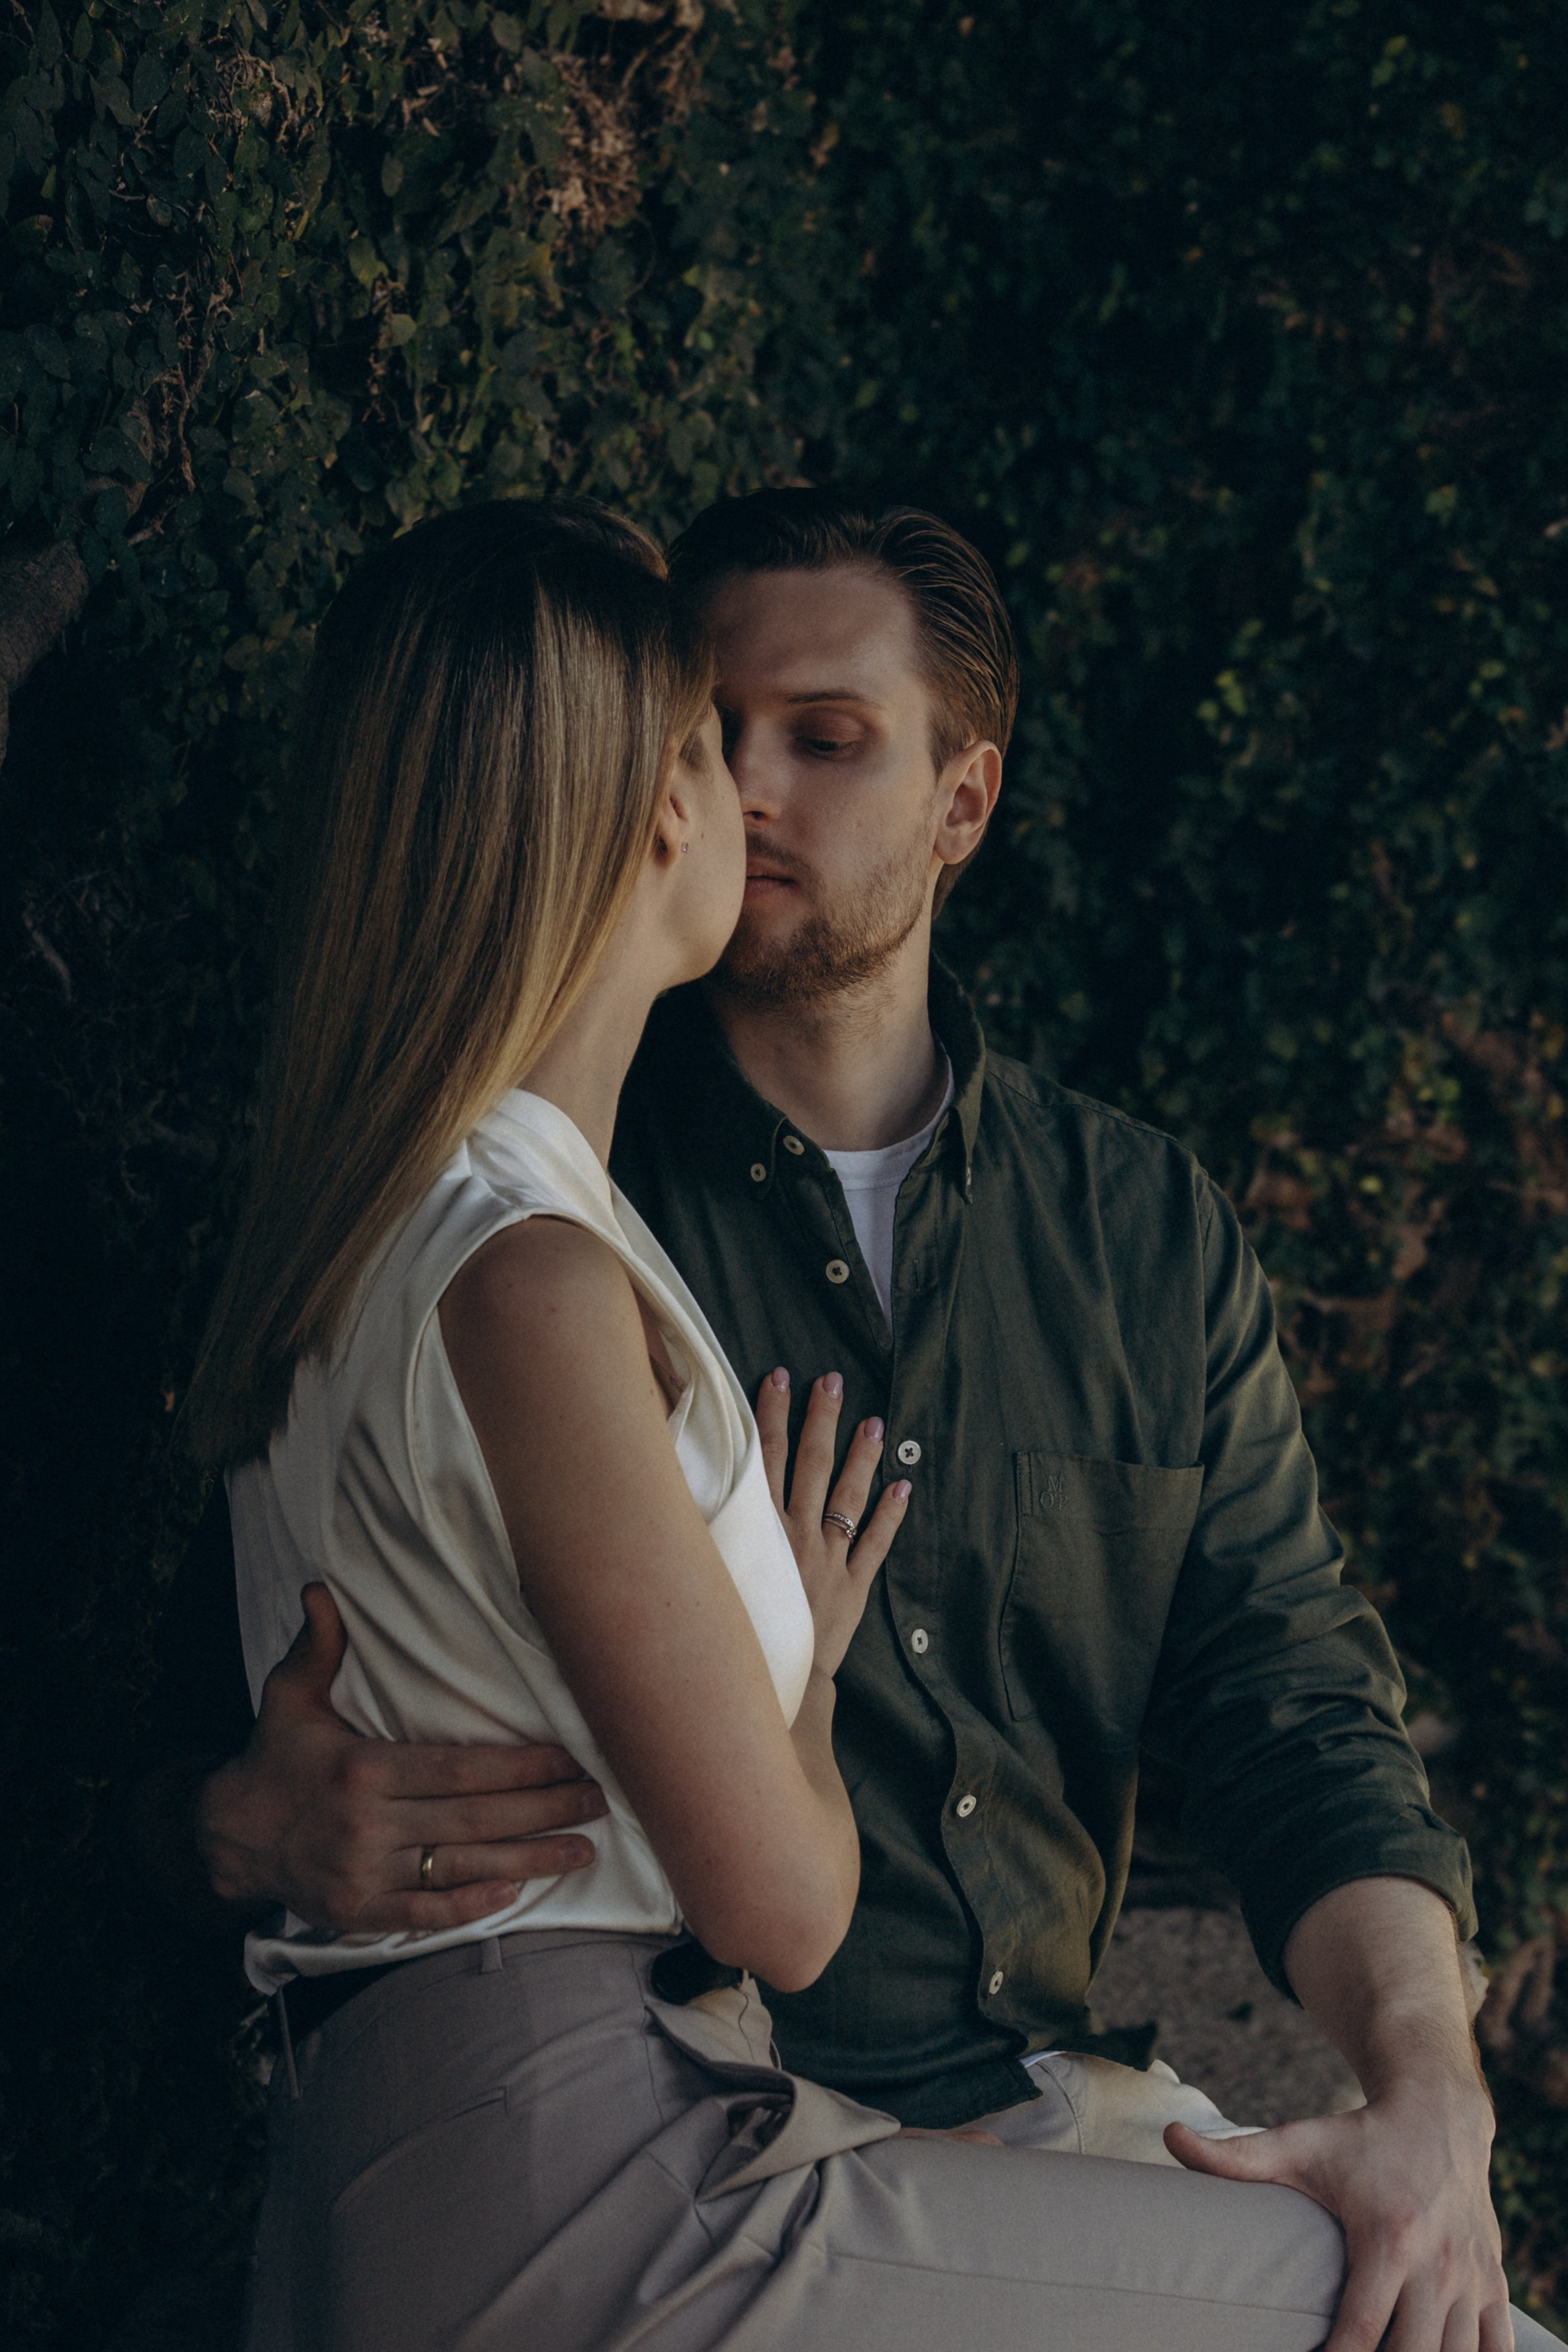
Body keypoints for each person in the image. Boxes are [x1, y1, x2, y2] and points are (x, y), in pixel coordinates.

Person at [149, 489, 1556, 2351]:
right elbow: (280, 1671)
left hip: (997, 2122)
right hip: (698, 2124)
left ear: (963, 802)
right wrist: (227, 1822)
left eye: (825, 739)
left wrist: (1433, 2091)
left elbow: (1291, 1700)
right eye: (708, 731)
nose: (747, 789)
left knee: (1432, 2304)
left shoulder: (1136, 1235)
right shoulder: (558, 1225)